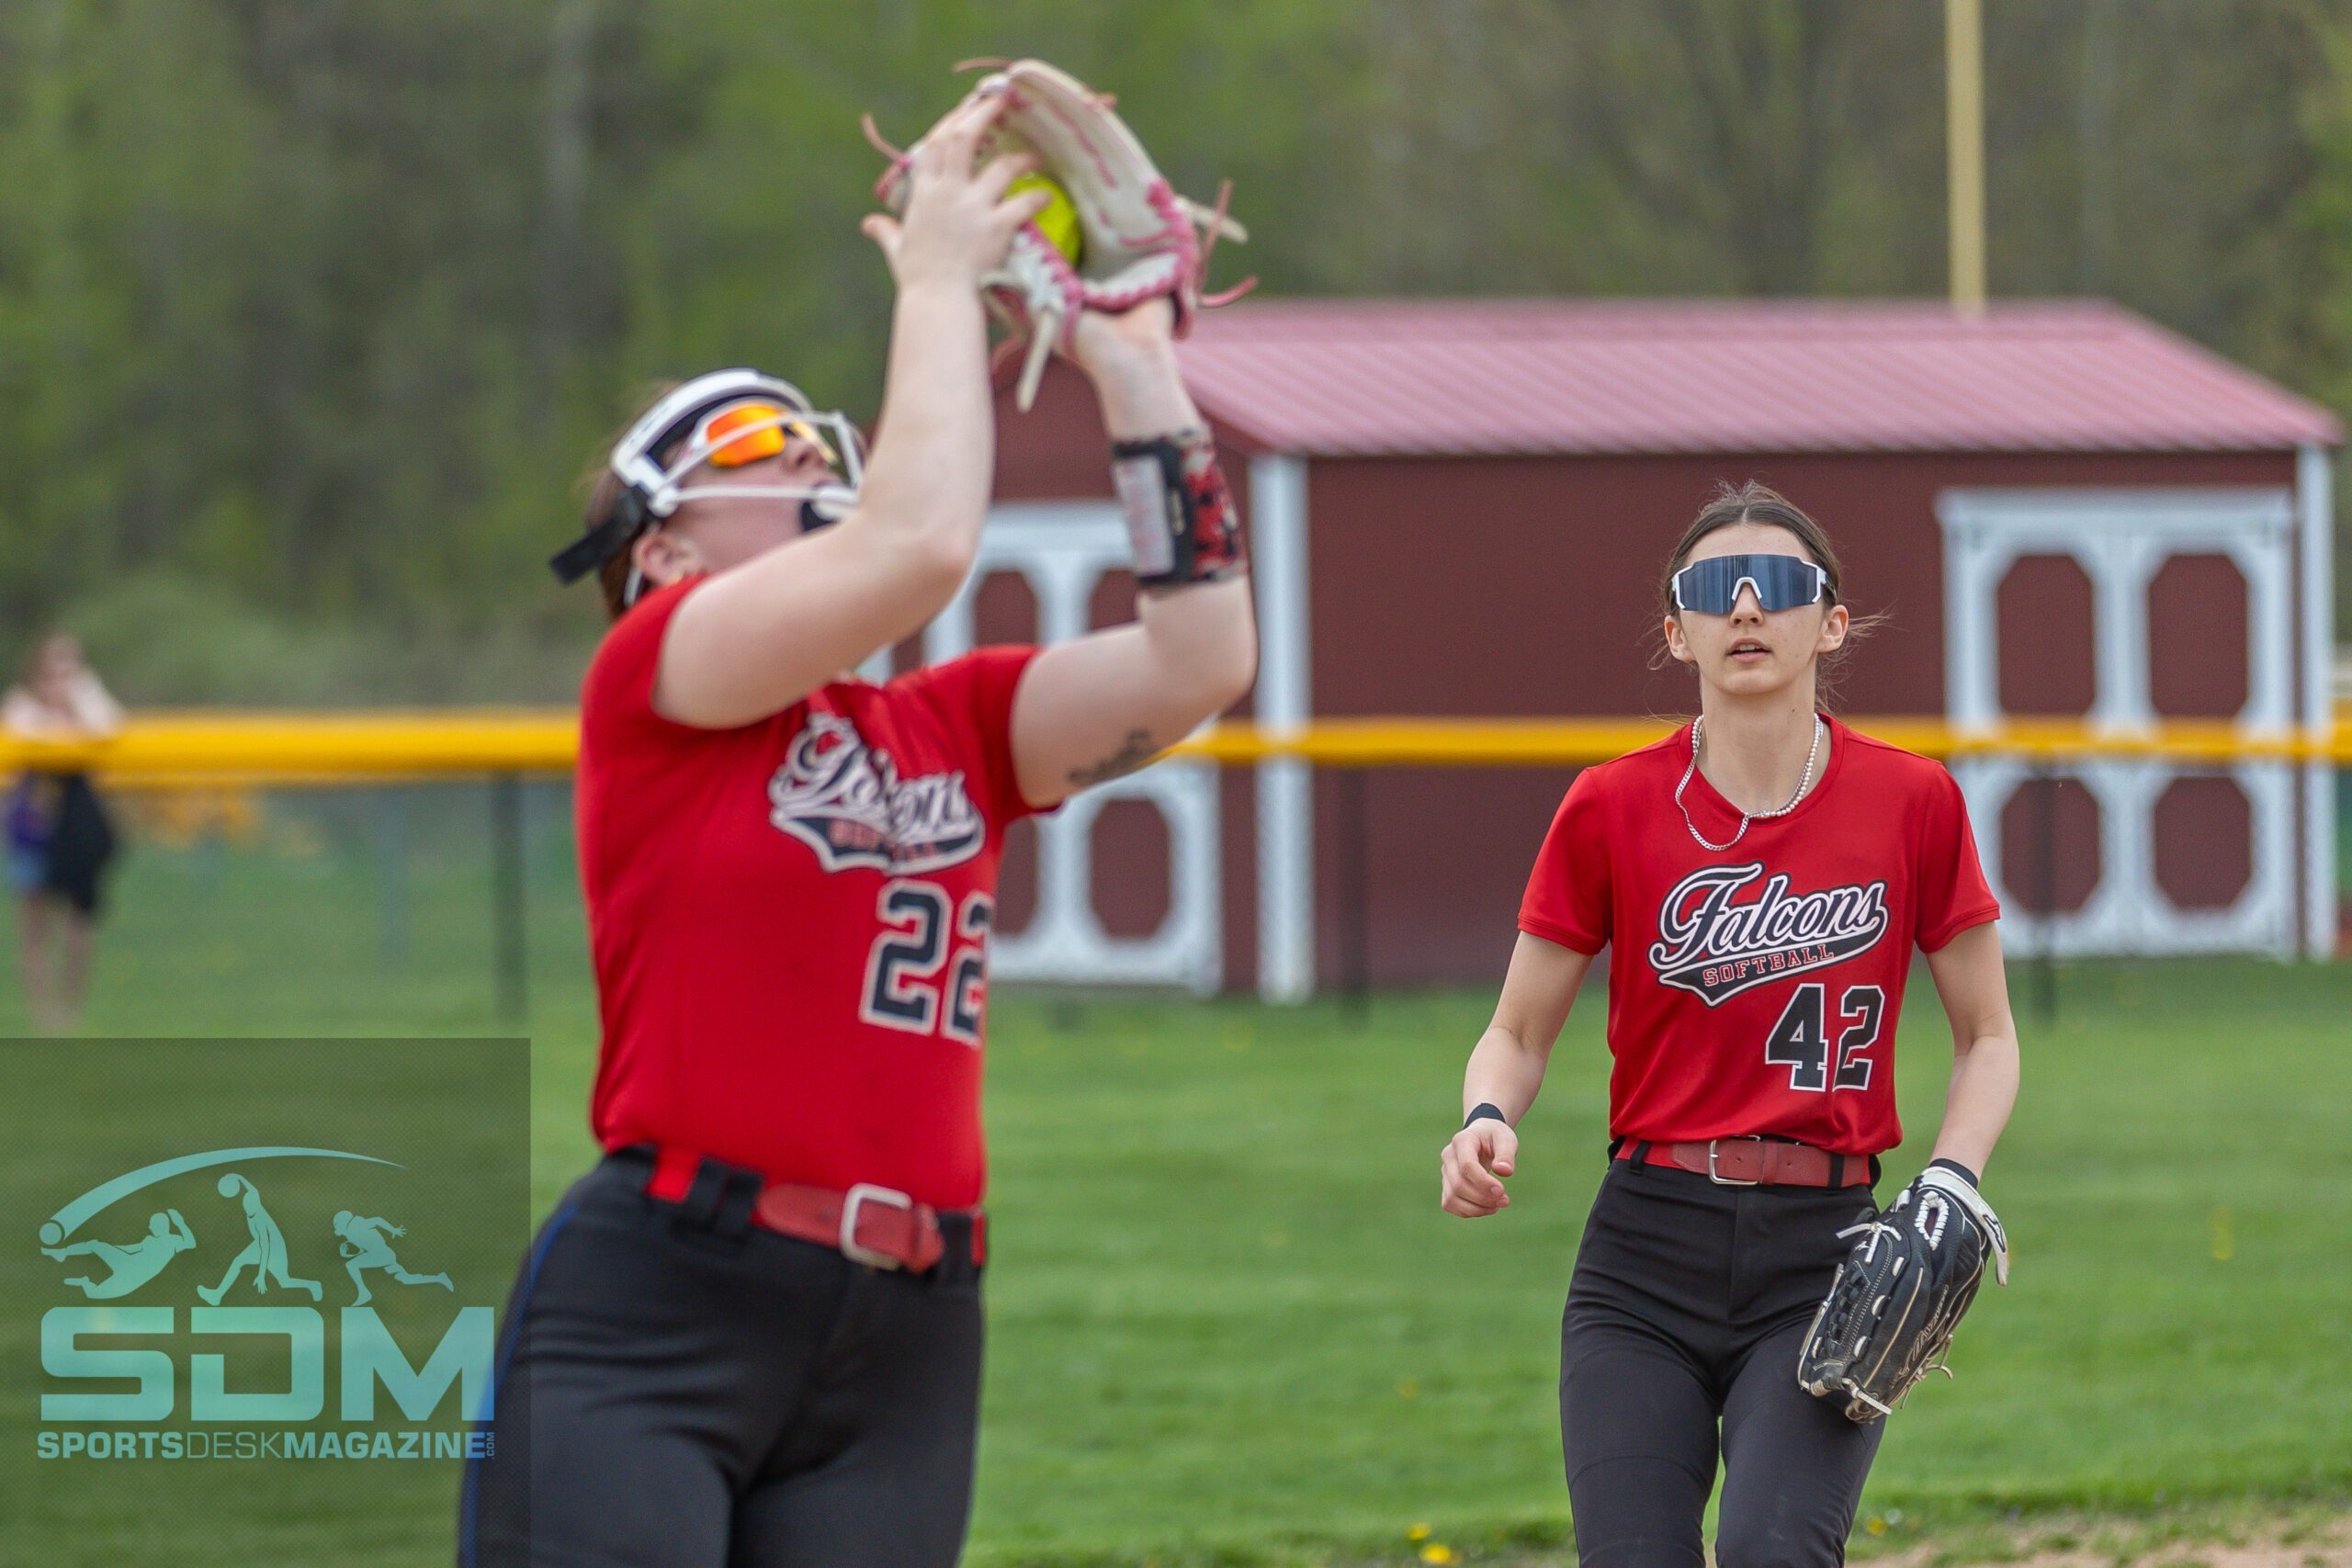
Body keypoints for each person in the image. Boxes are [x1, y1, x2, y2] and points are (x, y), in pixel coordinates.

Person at [464, 86, 1256, 1567]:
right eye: (756, 443)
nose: (810, 462)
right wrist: (937, 273)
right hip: (668, 1295)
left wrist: (1134, 361)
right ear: (662, 549)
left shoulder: (950, 723)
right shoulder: (657, 675)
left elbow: (1201, 657)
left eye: (813, 436)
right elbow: (921, 540)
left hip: (910, 1325)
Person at [1437, 482, 2021, 1566]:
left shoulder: (1911, 800)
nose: (1746, 606)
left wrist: (1951, 1178)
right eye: (1712, 588)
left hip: (1824, 1256)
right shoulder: (1612, 804)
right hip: (1642, 1258)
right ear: (1678, 631)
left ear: (1830, 622)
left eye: (1780, 584)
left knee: (1771, 1551)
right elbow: (1516, 1034)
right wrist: (1482, 1116)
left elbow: (1986, 1035)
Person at [5, 633, 122, 1035]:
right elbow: (18, 735)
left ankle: (72, 1013)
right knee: (36, 921)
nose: (61, 678)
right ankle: (43, 1015)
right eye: (52, 669)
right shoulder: (22, 706)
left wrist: (78, 701)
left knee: (79, 921)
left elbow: (110, 727)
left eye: (70, 668)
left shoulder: (89, 700)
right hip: (34, 824)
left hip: (76, 824)